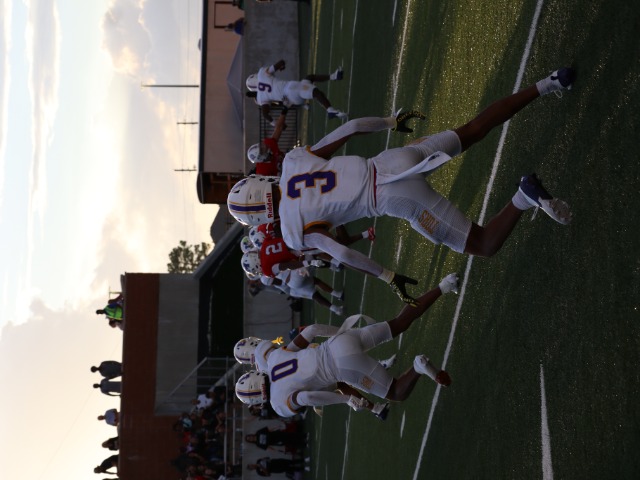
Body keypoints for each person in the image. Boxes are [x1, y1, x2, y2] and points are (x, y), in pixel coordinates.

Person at [227, 67, 576, 305]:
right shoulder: (292, 162)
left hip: (395, 198)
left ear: (259, 216)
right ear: (259, 182)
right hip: (390, 161)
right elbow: (350, 129)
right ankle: (550, 82)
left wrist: (388, 276)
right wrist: (390, 121)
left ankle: (524, 195)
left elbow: (342, 254)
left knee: (483, 244)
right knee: (474, 128)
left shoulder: (292, 233)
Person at [235, 272, 460, 419]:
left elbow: (307, 398)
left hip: (342, 367)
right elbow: (312, 330)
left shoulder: (278, 404)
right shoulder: (274, 358)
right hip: (337, 343)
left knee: (395, 392)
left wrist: (346, 399)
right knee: (399, 323)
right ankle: (445, 285)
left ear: (256, 398)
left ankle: (418, 367)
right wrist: (341, 333)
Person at [246, 59, 346, 123]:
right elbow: (281, 62)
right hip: (291, 89)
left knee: (309, 78)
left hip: (291, 100)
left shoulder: (260, 98)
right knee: (316, 92)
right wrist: (281, 66)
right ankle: (330, 111)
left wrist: (274, 124)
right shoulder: (262, 74)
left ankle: (334, 76)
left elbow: (265, 114)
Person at [248, 107, 289, 177]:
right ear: (261, 157)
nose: (263, 146)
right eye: (261, 149)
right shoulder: (262, 172)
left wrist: (284, 111)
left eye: (260, 146)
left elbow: (279, 128)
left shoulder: (269, 144)